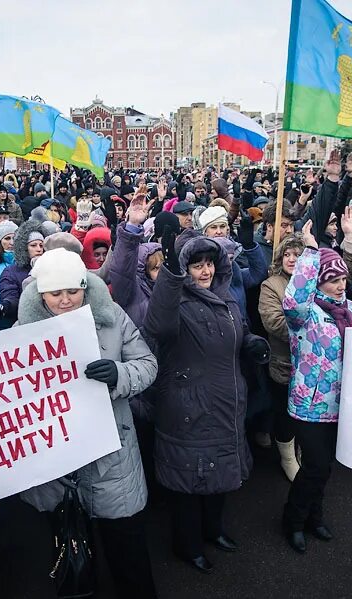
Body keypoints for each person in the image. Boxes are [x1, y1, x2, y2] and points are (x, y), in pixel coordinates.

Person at [17, 248, 159, 598]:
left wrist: (119, 374)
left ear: (85, 287)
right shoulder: (22, 332)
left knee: (128, 556)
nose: (65, 300)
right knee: (74, 556)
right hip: (60, 467)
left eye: (73, 290)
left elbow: (148, 364)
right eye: (55, 293)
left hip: (112, 460)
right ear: (40, 294)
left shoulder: (111, 317)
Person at [143, 232, 269, 574]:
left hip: (227, 404)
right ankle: (187, 546)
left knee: (220, 476)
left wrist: (253, 343)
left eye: (209, 263)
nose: (205, 271)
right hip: (189, 408)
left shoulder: (227, 300)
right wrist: (170, 273)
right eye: (196, 265)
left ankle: (213, 531)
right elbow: (157, 323)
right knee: (189, 482)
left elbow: (241, 330)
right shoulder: (175, 303)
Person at [281, 221, 352, 554]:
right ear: (318, 283)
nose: (341, 286)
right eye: (333, 280)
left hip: (342, 404)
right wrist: (311, 252)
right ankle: (293, 522)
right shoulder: (305, 315)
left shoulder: (350, 311)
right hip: (309, 406)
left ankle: (315, 517)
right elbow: (293, 300)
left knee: (325, 467)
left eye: (342, 280)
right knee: (316, 466)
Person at [258, 233, 305, 480]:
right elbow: (273, 322)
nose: (291, 259)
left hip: (312, 364)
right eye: (287, 254)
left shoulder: (313, 281)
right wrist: (312, 330)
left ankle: (301, 449)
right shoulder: (271, 285)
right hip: (285, 363)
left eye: (297, 254)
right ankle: (287, 455)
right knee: (285, 413)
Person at [108, 195, 161, 327]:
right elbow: (122, 270)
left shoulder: (174, 289)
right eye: (155, 268)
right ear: (144, 271)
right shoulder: (133, 291)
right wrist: (133, 225)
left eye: (163, 267)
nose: (161, 273)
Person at [0, 218, 45, 321]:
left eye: (41, 245)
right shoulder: (11, 272)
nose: (39, 249)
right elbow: (11, 296)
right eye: (33, 245)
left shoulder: (50, 266)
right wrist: (6, 305)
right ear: (23, 248)